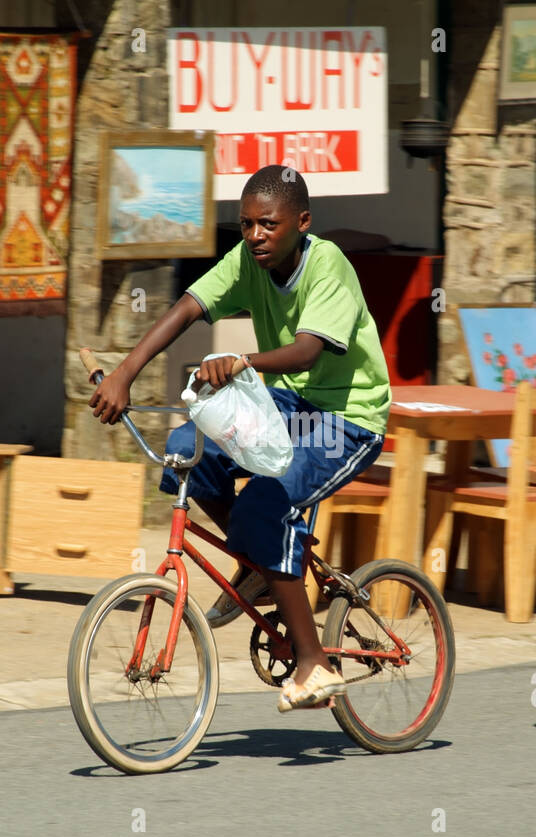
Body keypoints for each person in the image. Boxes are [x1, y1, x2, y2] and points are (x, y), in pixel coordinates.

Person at [88, 164, 391, 709]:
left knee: (261, 510)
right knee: (186, 451)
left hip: (348, 417)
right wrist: (123, 373)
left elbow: (305, 352)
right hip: (290, 404)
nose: (255, 236)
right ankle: (259, 564)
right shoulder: (247, 261)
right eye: (247, 224)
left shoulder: (328, 266)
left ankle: (314, 664)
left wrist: (241, 360)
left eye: (269, 225)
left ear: (302, 222)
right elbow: (187, 309)